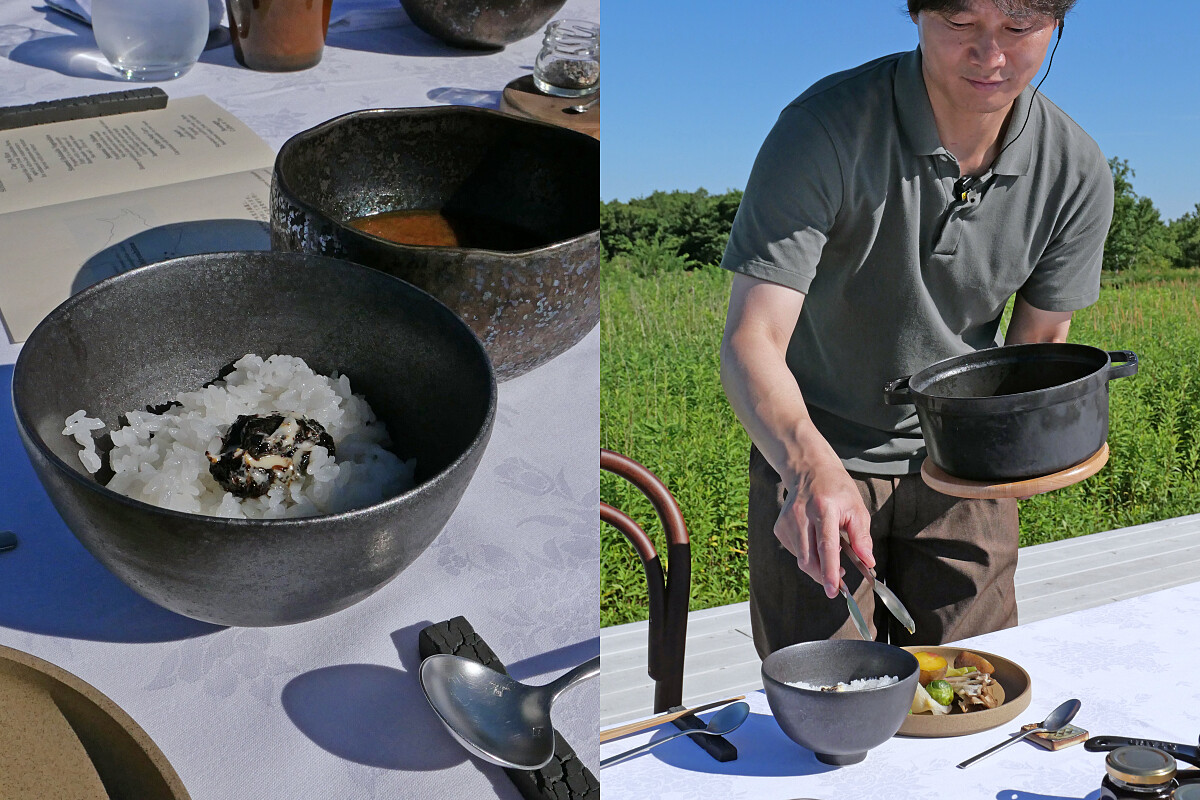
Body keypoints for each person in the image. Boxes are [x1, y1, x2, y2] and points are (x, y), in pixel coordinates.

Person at [718, 0, 1114, 657]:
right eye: (961, 24)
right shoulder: (824, 130)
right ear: (917, 14)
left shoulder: (1074, 169)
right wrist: (808, 468)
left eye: (1019, 29)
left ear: (1058, 27)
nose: (990, 55)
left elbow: (1038, 345)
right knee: (829, 705)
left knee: (978, 685)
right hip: (816, 448)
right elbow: (751, 339)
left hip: (967, 458)